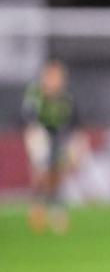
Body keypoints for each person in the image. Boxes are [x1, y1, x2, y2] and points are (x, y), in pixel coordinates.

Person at [21, 60, 86, 234]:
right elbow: (29, 120)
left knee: (57, 174)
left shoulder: (67, 98)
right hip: (40, 135)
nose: (56, 80)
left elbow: (75, 125)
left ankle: (56, 209)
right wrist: (33, 138)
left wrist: (78, 145)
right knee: (41, 173)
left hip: (60, 138)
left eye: (59, 76)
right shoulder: (36, 95)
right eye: (52, 76)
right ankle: (37, 206)